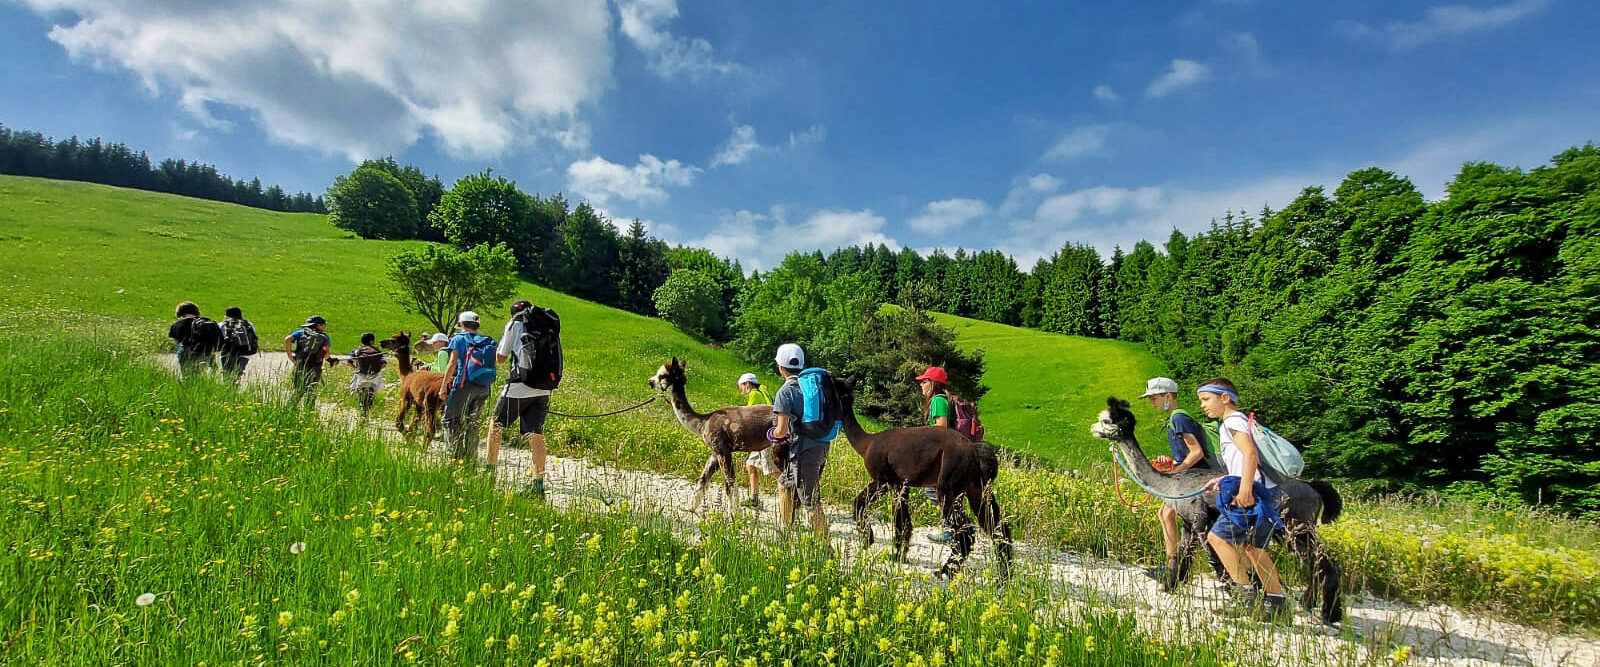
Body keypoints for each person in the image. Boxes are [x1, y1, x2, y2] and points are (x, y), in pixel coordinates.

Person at [1197, 377, 1290, 621]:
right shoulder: (1237, 421)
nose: (1203, 406)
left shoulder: (1233, 421)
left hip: (1249, 492)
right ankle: (1279, 609)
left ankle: (1245, 599)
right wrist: (1222, 480)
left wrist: (1245, 489)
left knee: (1216, 538)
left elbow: (1249, 454)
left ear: (1224, 398)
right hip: (1262, 490)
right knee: (1254, 548)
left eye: (1206, 399)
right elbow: (1242, 459)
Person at [1140, 376, 1215, 582]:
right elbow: (1186, 453)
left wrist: (1177, 471)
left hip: (1194, 479)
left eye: (1154, 398)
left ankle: (1172, 566)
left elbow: (1196, 452)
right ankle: (1173, 566)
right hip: (1189, 476)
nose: (1151, 402)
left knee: (1166, 514)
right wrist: (1172, 461)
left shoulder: (1178, 419)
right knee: (1165, 514)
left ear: (1168, 396)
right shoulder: (1176, 418)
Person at [487, 300, 553, 497]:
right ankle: (538, 484)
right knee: (536, 434)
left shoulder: (514, 324)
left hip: (518, 386)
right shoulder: (546, 325)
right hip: (543, 389)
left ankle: (489, 474)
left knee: (495, 425)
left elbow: (501, 356)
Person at [769, 343, 831, 537]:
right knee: (784, 483)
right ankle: (785, 529)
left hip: (803, 451)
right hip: (821, 446)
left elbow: (781, 431)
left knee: (810, 501)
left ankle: (825, 549)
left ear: (781, 368)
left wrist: (772, 435)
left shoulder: (785, 392)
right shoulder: (814, 387)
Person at [439, 311, 496, 467]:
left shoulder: (458, 339)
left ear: (461, 324)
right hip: (484, 386)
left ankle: (454, 457)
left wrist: (443, 387)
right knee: (473, 422)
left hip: (464, 385)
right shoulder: (488, 341)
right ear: (477, 325)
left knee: (450, 419)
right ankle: (470, 458)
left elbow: (452, 363)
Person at [915, 366, 958, 544]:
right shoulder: (943, 400)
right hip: (948, 453)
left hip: (943, 454)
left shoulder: (938, 401)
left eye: (924, 382)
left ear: (933, 384)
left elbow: (941, 426)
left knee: (934, 489)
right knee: (941, 490)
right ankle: (954, 527)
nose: (921, 386)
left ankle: (952, 528)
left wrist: (922, 436)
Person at [737, 372, 777, 509]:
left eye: (740, 386)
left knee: (772, 470)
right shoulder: (763, 390)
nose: (741, 390)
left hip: (763, 438)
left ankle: (793, 489)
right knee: (751, 465)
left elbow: (747, 416)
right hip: (765, 435)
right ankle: (754, 499)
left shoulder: (754, 394)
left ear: (747, 384)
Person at [284, 315, 331, 410]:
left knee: (298, 390)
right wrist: (331, 360)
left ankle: (290, 410)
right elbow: (326, 354)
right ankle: (309, 412)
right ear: (319, 325)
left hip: (300, 364)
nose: (325, 327)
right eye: (324, 325)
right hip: (315, 367)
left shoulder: (301, 333)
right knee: (311, 391)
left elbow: (287, 339)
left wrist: (291, 357)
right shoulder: (324, 337)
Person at [168, 301, 222, 380]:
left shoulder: (176, 325)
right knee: (210, 374)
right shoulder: (206, 322)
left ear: (180, 312)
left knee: (188, 376)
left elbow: (177, 343)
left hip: (187, 352)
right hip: (207, 352)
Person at [347, 332, 387, 418]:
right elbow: (384, 364)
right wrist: (376, 370)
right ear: (372, 341)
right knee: (372, 392)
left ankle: (361, 411)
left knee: (359, 391)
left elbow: (349, 361)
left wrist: (355, 369)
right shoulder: (377, 351)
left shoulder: (356, 350)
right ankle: (367, 412)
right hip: (374, 376)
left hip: (361, 375)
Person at [217, 306, 258, 385]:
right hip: (245, 352)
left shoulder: (222, 325)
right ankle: (234, 387)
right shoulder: (248, 324)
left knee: (227, 375)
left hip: (228, 353)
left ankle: (228, 391)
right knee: (237, 374)